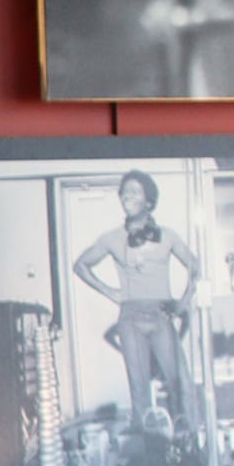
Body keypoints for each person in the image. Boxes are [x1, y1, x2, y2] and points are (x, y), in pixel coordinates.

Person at [70, 169, 199, 430]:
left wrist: (183, 303)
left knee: (180, 383)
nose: (127, 196)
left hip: (161, 315)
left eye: (135, 191)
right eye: (124, 192)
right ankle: (151, 458)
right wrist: (111, 292)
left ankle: (188, 445)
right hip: (130, 319)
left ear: (148, 202)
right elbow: (80, 265)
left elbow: (194, 267)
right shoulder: (111, 239)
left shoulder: (169, 236)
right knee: (140, 391)